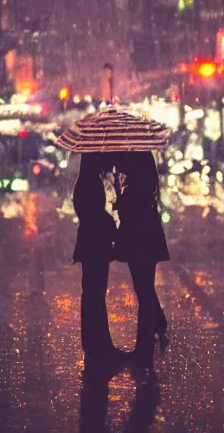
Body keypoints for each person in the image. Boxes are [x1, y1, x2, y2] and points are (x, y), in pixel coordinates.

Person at [113, 151, 170, 368]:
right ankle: (159, 323)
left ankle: (144, 347)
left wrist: (121, 199)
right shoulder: (144, 179)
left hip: (140, 239)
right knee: (144, 287)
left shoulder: (138, 186)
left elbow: (132, 209)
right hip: (146, 238)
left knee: (143, 290)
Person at [73, 152, 122, 367]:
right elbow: (93, 214)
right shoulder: (89, 183)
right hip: (94, 245)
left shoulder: (89, 180)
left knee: (95, 294)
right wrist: (110, 222)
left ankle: (100, 343)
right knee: (94, 294)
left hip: (93, 245)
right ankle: (96, 345)